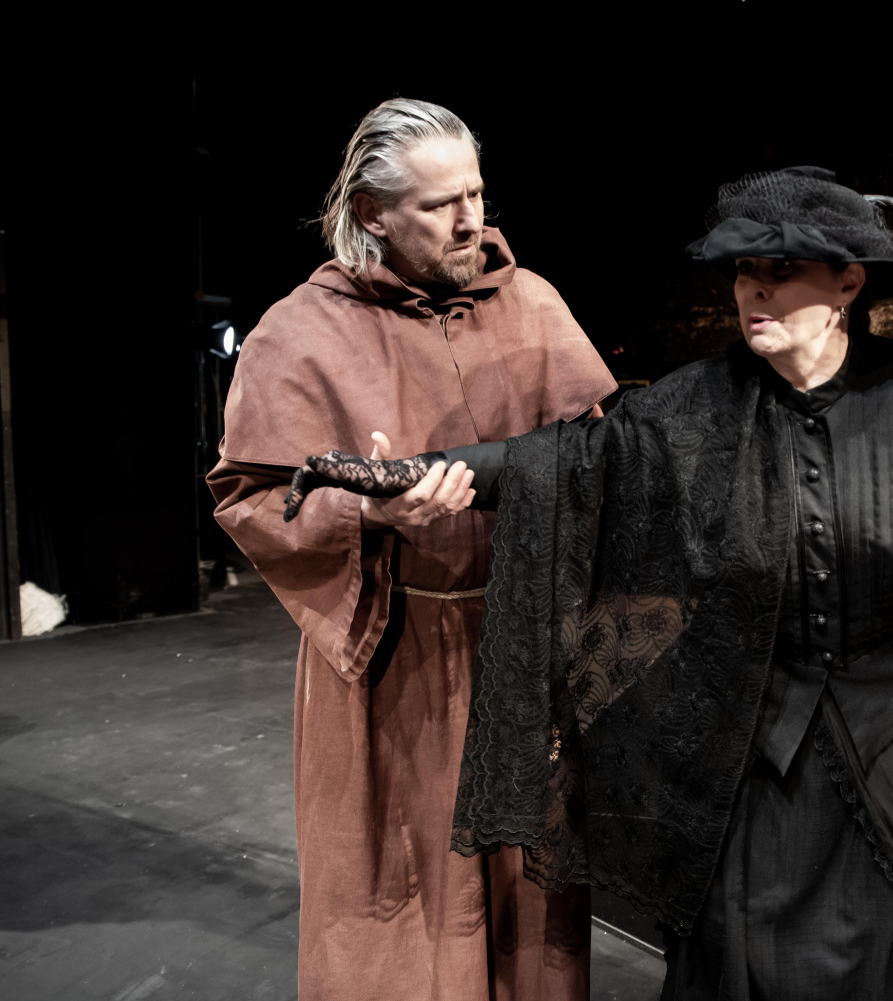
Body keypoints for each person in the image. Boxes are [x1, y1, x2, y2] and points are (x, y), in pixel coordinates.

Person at [283, 167, 893, 1000]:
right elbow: (559, 464)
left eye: (780, 270)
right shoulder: (700, 403)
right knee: (736, 961)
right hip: (749, 754)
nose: (754, 290)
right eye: (744, 271)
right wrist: (403, 472)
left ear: (848, 284)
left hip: (891, 755)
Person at [206, 98, 617, 1001]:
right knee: (400, 905)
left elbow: (599, 457)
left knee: (530, 906)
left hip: (523, 657)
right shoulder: (302, 330)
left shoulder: (533, 304)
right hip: (393, 667)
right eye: (440, 205)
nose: (472, 219)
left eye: (476, 193)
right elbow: (249, 495)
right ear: (372, 214)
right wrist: (367, 512)